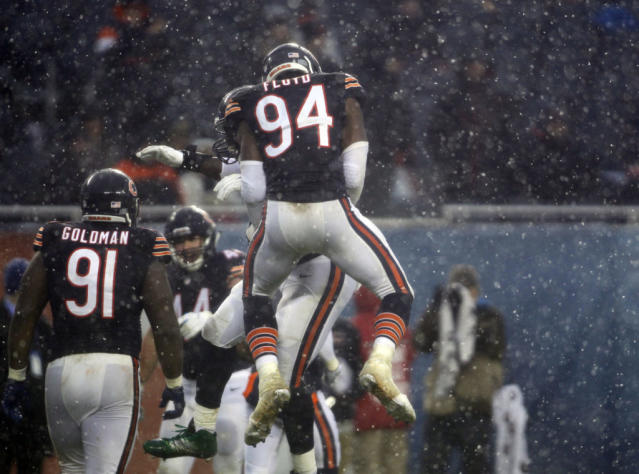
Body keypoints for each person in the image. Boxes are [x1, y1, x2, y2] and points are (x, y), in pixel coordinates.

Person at [217, 41, 416, 444]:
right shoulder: (339, 86)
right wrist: (339, 212)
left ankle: (270, 373)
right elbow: (356, 179)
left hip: (278, 221)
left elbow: (254, 190)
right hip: (332, 211)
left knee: (255, 298)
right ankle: (379, 361)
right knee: (396, 291)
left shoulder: (248, 102)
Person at [0, 168, 185, 474]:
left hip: (59, 375)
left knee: (72, 469)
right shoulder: (142, 243)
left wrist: (16, 376)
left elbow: (24, 314)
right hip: (114, 371)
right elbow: (165, 324)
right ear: (126, 206)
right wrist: (175, 382)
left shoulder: (56, 236)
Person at [139, 205, 247, 474]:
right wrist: (137, 386)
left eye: (192, 238)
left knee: (229, 464)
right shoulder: (165, 276)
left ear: (207, 238)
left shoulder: (229, 266)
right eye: (179, 241)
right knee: (169, 470)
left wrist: (213, 321)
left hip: (231, 386)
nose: (186, 247)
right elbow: (154, 335)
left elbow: (250, 335)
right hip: (185, 388)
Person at [412, 264, 506, 474]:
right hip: (442, 403)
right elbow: (420, 341)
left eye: (466, 288)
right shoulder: (443, 313)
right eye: (457, 288)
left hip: (475, 404)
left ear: (476, 291)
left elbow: (493, 345)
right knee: (432, 465)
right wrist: (435, 311)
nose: (462, 293)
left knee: (475, 466)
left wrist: (465, 317)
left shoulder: (489, 315)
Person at [350, 287, 415, 474]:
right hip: (398, 412)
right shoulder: (401, 327)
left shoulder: (356, 327)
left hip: (366, 414)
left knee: (367, 467)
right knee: (396, 467)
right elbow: (410, 358)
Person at [0, 258, 53, 473]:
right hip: (4, 414)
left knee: (31, 467)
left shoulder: (41, 324)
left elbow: (47, 364)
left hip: (32, 418)